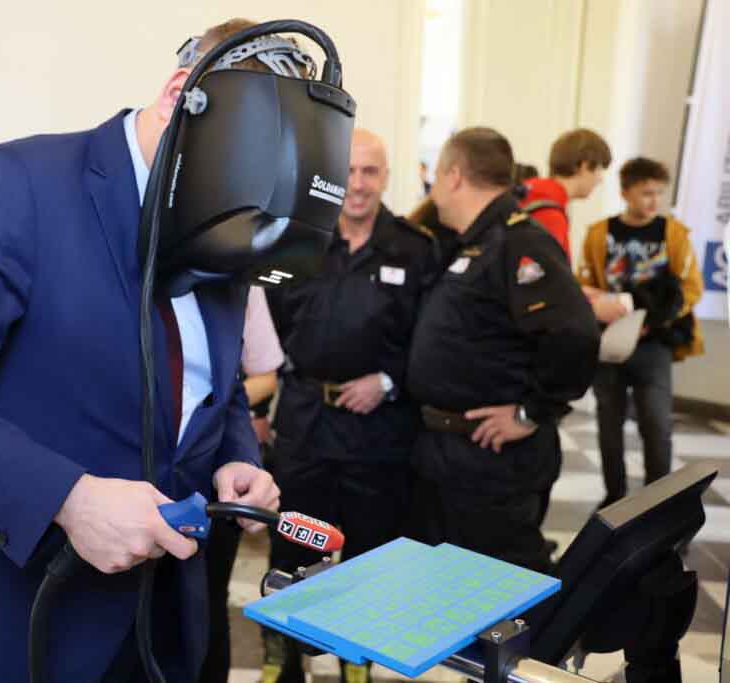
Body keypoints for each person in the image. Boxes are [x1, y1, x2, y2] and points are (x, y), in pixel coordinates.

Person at [0, 18, 286, 683]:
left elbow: (209, 389)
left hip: (172, 623)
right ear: (179, 95)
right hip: (30, 618)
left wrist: (237, 458)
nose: (248, 193)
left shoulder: (224, 228)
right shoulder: (21, 183)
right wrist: (67, 497)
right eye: (244, 157)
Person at [263, 129, 441, 683]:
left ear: (386, 178)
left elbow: (432, 344)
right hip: (304, 424)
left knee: (370, 556)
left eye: (370, 172)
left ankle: (355, 664)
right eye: (349, 171)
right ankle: (283, 660)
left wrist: (387, 381)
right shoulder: (297, 242)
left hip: (379, 433)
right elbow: (265, 333)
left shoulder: (416, 249)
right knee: (291, 549)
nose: (358, 184)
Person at [407, 127, 600, 573]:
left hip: (493, 460)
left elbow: (576, 334)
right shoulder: (475, 242)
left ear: (454, 175)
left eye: (437, 176)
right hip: (451, 455)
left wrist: (531, 412)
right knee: (448, 585)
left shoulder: (519, 242)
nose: (433, 190)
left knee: (497, 586)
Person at [578, 157, 704, 507]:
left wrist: (657, 318)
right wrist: (602, 305)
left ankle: (656, 500)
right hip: (610, 341)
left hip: (654, 344)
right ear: (625, 193)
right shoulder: (599, 234)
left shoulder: (673, 233)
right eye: (646, 193)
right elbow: (583, 284)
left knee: (657, 423)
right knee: (609, 422)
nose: (654, 201)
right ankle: (614, 496)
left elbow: (692, 288)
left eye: (659, 193)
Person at [201, 286, 284, 683]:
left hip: (212, 478)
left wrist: (208, 411)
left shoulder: (237, 279)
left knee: (207, 610)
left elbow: (256, 377)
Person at [521, 128, 612, 259]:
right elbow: (534, 268)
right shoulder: (549, 214)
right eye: (600, 169)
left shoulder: (530, 193)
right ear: (584, 166)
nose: (600, 180)